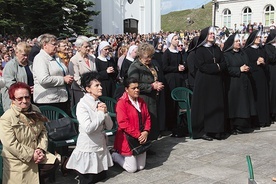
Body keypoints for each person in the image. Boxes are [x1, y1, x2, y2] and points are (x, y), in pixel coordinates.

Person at [0, 82, 59, 184]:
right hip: (18, 160)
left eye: (27, 97)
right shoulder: (7, 117)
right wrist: (32, 155)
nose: (24, 101)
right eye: (20, 98)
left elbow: (43, 131)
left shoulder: (35, 109)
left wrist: (40, 149)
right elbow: (10, 144)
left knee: (54, 162)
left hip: (37, 154)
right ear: (13, 100)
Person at [66, 72, 114, 183]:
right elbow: (88, 128)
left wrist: (106, 113)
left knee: (101, 177)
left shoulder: (100, 102)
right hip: (88, 146)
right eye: (96, 85)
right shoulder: (82, 105)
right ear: (88, 89)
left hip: (100, 146)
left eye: (100, 85)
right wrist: (101, 114)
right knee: (88, 180)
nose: (100, 88)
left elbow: (110, 126)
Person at [191, 26, 227, 141]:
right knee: (205, 107)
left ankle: (216, 130)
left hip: (216, 82)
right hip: (204, 82)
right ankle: (204, 131)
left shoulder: (217, 49)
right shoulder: (199, 50)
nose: (212, 35)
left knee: (216, 105)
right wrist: (217, 67)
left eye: (213, 34)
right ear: (205, 36)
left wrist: (217, 67)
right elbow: (202, 67)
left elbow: (224, 64)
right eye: (210, 34)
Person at [111, 77, 151, 173]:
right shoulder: (121, 103)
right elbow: (123, 123)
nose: (137, 90)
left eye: (137, 87)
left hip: (141, 137)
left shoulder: (141, 101)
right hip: (127, 139)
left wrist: (146, 131)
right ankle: (114, 156)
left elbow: (148, 117)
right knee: (132, 169)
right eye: (133, 88)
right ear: (126, 89)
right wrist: (138, 135)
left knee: (141, 167)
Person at [128, 42, 164, 141]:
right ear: (141, 55)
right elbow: (133, 84)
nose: (149, 59)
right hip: (142, 98)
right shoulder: (135, 67)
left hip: (152, 98)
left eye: (151, 56)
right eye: (147, 57)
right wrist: (151, 86)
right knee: (143, 122)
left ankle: (148, 144)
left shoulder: (151, 65)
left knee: (151, 121)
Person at [223, 33, 256, 134]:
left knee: (244, 104)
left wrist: (248, 68)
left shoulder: (243, 53)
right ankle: (233, 126)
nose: (239, 43)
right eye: (237, 41)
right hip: (234, 83)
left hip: (244, 81)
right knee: (235, 105)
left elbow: (249, 63)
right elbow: (227, 69)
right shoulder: (226, 54)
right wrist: (239, 69)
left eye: (239, 41)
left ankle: (243, 125)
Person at [32, 34, 73, 114]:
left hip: (61, 98)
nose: (56, 47)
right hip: (48, 100)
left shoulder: (57, 57)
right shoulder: (40, 58)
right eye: (54, 44)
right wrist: (63, 79)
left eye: (57, 44)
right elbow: (43, 79)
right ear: (45, 45)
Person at [243, 30, 270, 127]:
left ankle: (264, 119)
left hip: (262, 76)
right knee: (255, 98)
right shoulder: (247, 50)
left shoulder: (262, 50)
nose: (259, 39)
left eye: (260, 37)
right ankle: (256, 121)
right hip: (253, 77)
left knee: (263, 98)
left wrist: (263, 63)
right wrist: (256, 63)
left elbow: (267, 63)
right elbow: (247, 64)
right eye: (257, 37)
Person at [162, 33, 187, 131]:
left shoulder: (178, 52)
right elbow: (164, 67)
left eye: (177, 39)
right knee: (171, 101)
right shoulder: (167, 53)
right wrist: (176, 68)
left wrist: (182, 67)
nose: (177, 41)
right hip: (170, 79)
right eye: (175, 39)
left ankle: (178, 122)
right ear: (170, 41)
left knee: (178, 102)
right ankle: (170, 123)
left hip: (179, 78)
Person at [1, 42, 34, 111]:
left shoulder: (31, 64)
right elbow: (10, 83)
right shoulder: (10, 65)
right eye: (24, 55)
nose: (26, 57)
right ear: (16, 53)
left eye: (27, 55)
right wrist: (26, 89)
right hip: (15, 101)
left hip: (30, 99)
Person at [69, 35, 97, 108]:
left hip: (92, 91)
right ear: (78, 48)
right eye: (86, 47)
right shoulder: (74, 60)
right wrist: (87, 88)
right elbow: (76, 78)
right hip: (79, 91)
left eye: (89, 46)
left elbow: (95, 73)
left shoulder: (92, 58)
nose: (88, 48)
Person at [264, 30, 276, 122]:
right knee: (272, 91)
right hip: (272, 72)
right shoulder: (267, 47)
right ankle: (272, 113)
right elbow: (271, 58)